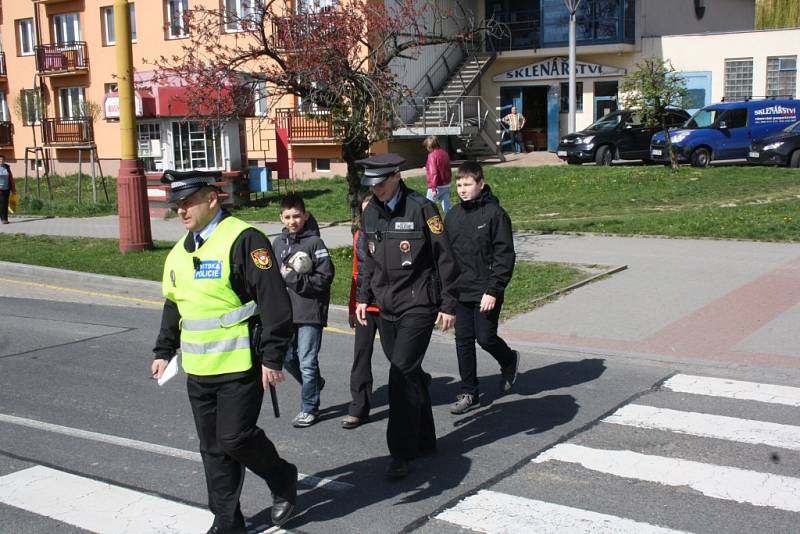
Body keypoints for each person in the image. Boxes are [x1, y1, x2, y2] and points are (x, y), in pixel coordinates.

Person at [151, 170, 298, 533]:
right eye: (176, 204)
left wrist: (273, 357)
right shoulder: (178, 253)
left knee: (234, 439)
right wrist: (163, 350)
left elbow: (275, 303)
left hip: (240, 364)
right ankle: (227, 521)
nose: (180, 210)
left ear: (212, 199)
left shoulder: (244, 240)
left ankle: (282, 478)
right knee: (212, 448)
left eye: (187, 202)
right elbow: (174, 306)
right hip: (198, 369)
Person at [355, 153, 459, 479]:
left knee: (400, 374)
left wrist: (448, 304)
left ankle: (400, 453)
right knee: (410, 373)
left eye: (382, 182)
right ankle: (426, 438)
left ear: (397, 176)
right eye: (371, 185)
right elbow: (368, 260)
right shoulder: (370, 212)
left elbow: (445, 257)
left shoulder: (421, 208)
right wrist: (363, 297)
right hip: (386, 306)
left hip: (418, 303)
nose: (377, 190)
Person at [444, 161, 520, 415]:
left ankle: (509, 360)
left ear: (481, 184)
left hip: (486, 290)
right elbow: (447, 258)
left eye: (467, 184)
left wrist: (493, 289)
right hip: (461, 290)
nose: (462, 190)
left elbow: (504, 256)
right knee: (463, 341)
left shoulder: (495, 214)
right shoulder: (453, 215)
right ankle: (469, 392)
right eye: (459, 185)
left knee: (485, 337)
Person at [273, 193, 334, 428]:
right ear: (281, 218)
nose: (292, 221)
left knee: (308, 361)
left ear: (305, 215)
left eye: (296, 216)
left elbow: (324, 278)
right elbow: (273, 278)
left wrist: (296, 280)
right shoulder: (278, 244)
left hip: (309, 312)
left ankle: (309, 408)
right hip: (286, 314)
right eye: (287, 217)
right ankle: (315, 382)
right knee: (287, 358)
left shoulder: (315, 243)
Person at [343, 192, 380, 430]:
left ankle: (417, 380)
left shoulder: (388, 233)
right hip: (365, 305)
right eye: (364, 210)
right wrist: (352, 306)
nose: (368, 214)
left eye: (373, 209)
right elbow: (356, 275)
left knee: (399, 357)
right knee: (361, 357)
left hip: (389, 304)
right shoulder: (359, 236)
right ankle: (359, 407)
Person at [423, 136, 452, 214]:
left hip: (437, 186)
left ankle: (432, 225)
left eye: (426, 147)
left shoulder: (432, 156)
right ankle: (453, 222)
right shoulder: (445, 153)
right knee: (447, 208)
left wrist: (433, 188)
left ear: (429, 146)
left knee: (428, 208)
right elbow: (449, 169)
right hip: (447, 185)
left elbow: (434, 173)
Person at [0, 155, 15, 224]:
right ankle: (3, 219)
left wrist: (13, 188)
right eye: (0, 160)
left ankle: (5, 219)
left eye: (2, 160)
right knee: (2, 204)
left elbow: (11, 178)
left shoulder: (7, 167)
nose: (1, 161)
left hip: (7, 188)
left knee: (5, 204)